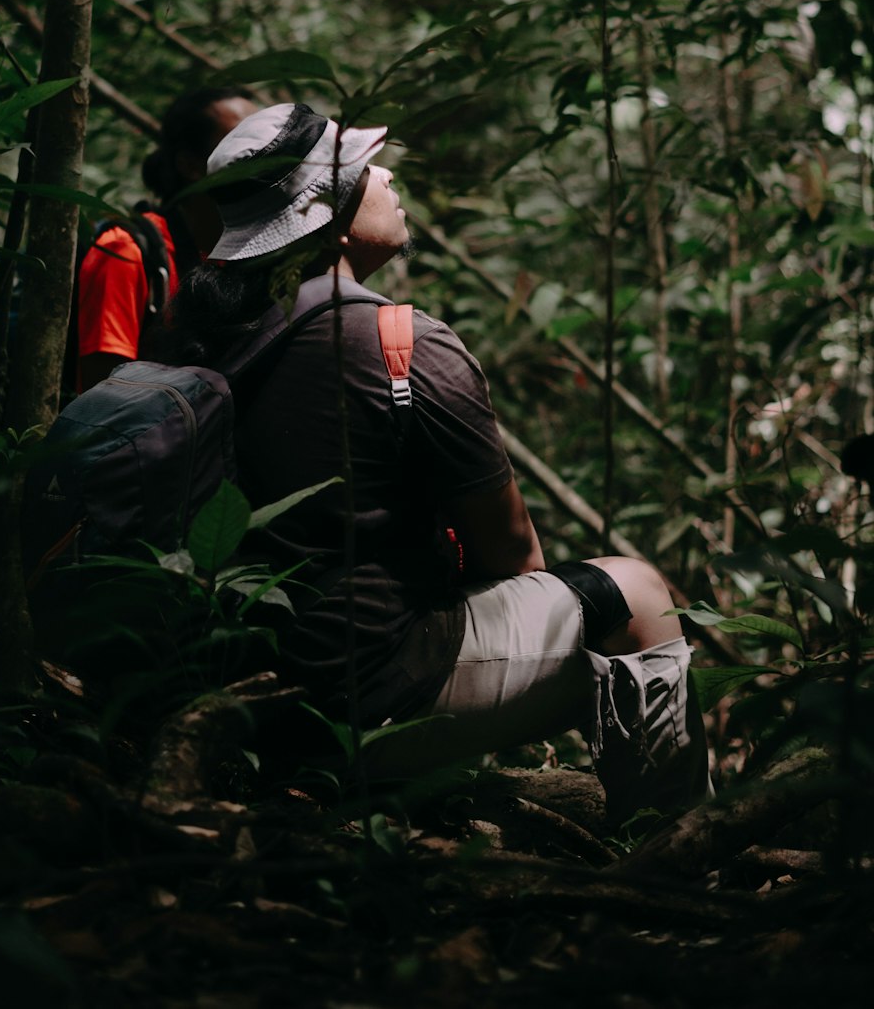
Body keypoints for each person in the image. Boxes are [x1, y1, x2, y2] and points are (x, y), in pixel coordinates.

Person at [169, 102, 710, 826]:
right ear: (325, 208)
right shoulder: (398, 341)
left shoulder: (202, 341)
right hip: (365, 698)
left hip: (234, 700)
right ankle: (676, 852)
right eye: (365, 170)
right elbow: (515, 556)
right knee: (638, 593)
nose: (388, 176)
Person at [76, 87, 255, 391]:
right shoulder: (125, 252)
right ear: (190, 166)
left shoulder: (246, 258)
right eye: (246, 147)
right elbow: (99, 400)